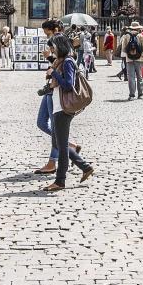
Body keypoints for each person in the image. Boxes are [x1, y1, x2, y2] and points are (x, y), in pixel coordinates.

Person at [42, 35, 94, 192]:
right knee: (58, 144)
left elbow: (68, 85)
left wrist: (54, 73)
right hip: (59, 107)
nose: (52, 50)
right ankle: (84, 166)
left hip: (64, 109)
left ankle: (60, 181)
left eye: (53, 48)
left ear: (60, 46)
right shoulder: (61, 61)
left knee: (61, 146)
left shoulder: (68, 62)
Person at [119, 22, 143, 100]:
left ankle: (132, 95)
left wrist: (130, 52)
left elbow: (123, 49)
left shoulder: (126, 36)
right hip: (140, 59)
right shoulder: (140, 36)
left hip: (129, 59)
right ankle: (140, 94)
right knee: (139, 77)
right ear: (138, 28)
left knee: (131, 77)